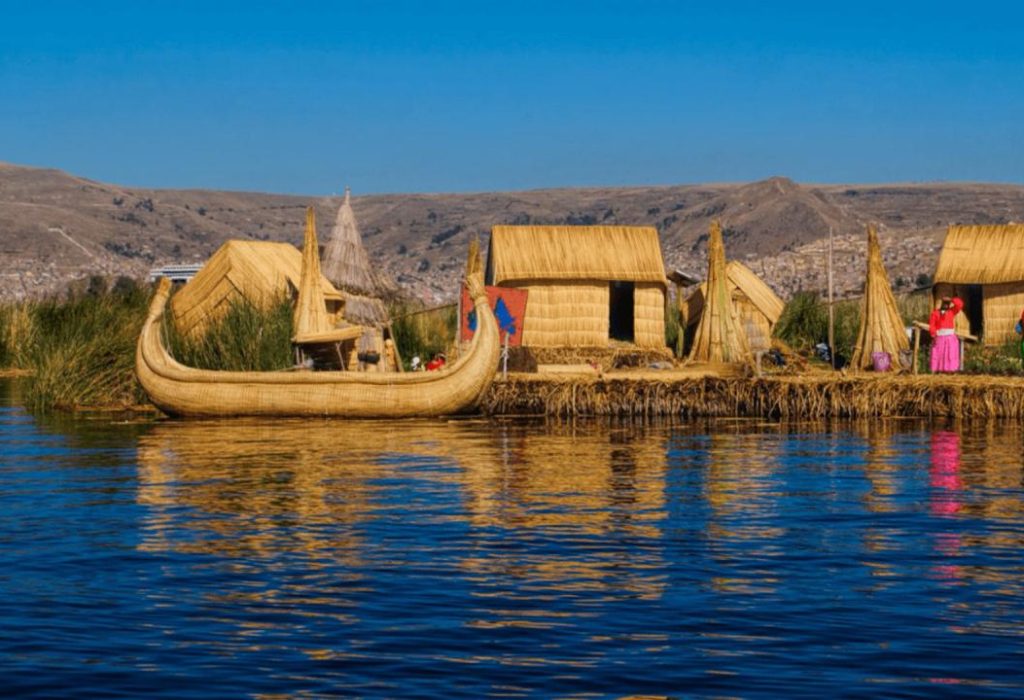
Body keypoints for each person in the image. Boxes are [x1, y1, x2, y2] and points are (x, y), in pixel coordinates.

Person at [929, 295, 963, 372]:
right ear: (941, 304)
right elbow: (932, 325)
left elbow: (960, 304)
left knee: (950, 354)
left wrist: (951, 299)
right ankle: (938, 370)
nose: (946, 305)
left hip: (950, 338)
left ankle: (950, 370)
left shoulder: (952, 311)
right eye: (944, 303)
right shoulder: (935, 313)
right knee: (939, 354)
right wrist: (933, 333)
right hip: (940, 338)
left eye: (947, 304)